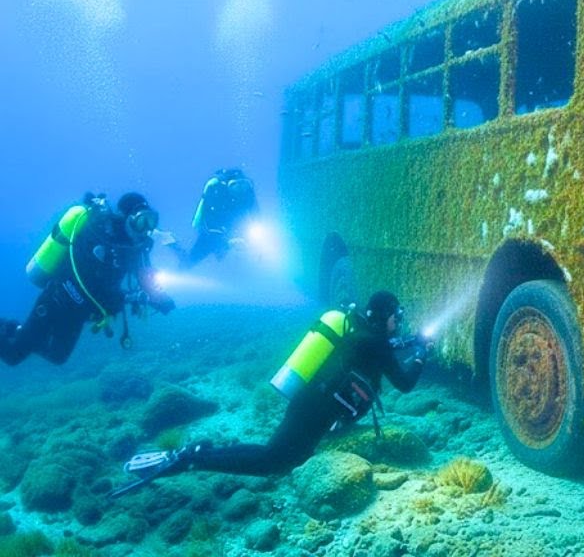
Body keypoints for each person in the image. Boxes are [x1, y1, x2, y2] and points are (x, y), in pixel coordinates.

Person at [115, 291, 427, 494]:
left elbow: (373, 353)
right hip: (315, 410)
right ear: (384, 316)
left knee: (280, 458)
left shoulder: (360, 333)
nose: (397, 322)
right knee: (272, 460)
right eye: (395, 316)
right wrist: (422, 354)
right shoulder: (375, 343)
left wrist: (406, 343)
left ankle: (196, 456)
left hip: (310, 402)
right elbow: (405, 383)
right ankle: (192, 458)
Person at [1, 192, 176, 366]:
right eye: (141, 220)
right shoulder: (99, 237)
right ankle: (15, 331)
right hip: (57, 300)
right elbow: (91, 286)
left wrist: (157, 297)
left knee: (57, 357)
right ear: (127, 218)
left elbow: (144, 276)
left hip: (79, 312)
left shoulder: (136, 247)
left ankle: (17, 330)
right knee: (14, 356)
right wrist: (132, 297)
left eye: (152, 220)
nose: (147, 228)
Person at [180, 167, 259, 269]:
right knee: (189, 263)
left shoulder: (247, 195)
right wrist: (226, 241)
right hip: (211, 234)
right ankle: (172, 244)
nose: (239, 189)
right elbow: (209, 222)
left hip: (234, 232)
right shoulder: (217, 195)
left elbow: (256, 214)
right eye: (235, 185)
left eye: (243, 185)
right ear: (227, 186)